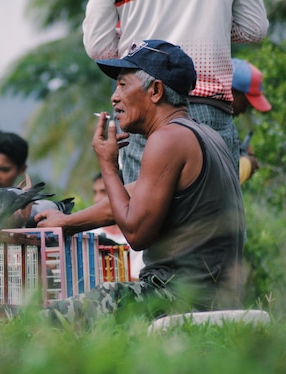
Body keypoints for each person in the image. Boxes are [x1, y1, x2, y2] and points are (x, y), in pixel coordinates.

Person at [36, 40, 245, 326]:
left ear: (156, 91)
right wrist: (66, 222)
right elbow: (132, 199)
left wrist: (109, 166)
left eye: (123, 85)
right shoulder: (206, 136)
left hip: (175, 299)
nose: (114, 97)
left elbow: (136, 233)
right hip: (215, 299)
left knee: (44, 323)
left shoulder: (167, 140)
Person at [82, 0, 269, 184]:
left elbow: (100, 47)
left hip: (144, 102)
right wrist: (210, 28)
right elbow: (253, 29)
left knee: (141, 208)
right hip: (210, 105)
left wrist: (135, 41)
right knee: (212, 207)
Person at [90, 172, 144, 281]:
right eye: (95, 192)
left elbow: (144, 282)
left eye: (104, 192)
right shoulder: (89, 236)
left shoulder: (141, 237)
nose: (97, 199)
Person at [231, 58, 272, 184]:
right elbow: (220, 182)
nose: (243, 111)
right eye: (245, 103)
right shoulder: (209, 121)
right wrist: (247, 164)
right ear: (231, 92)